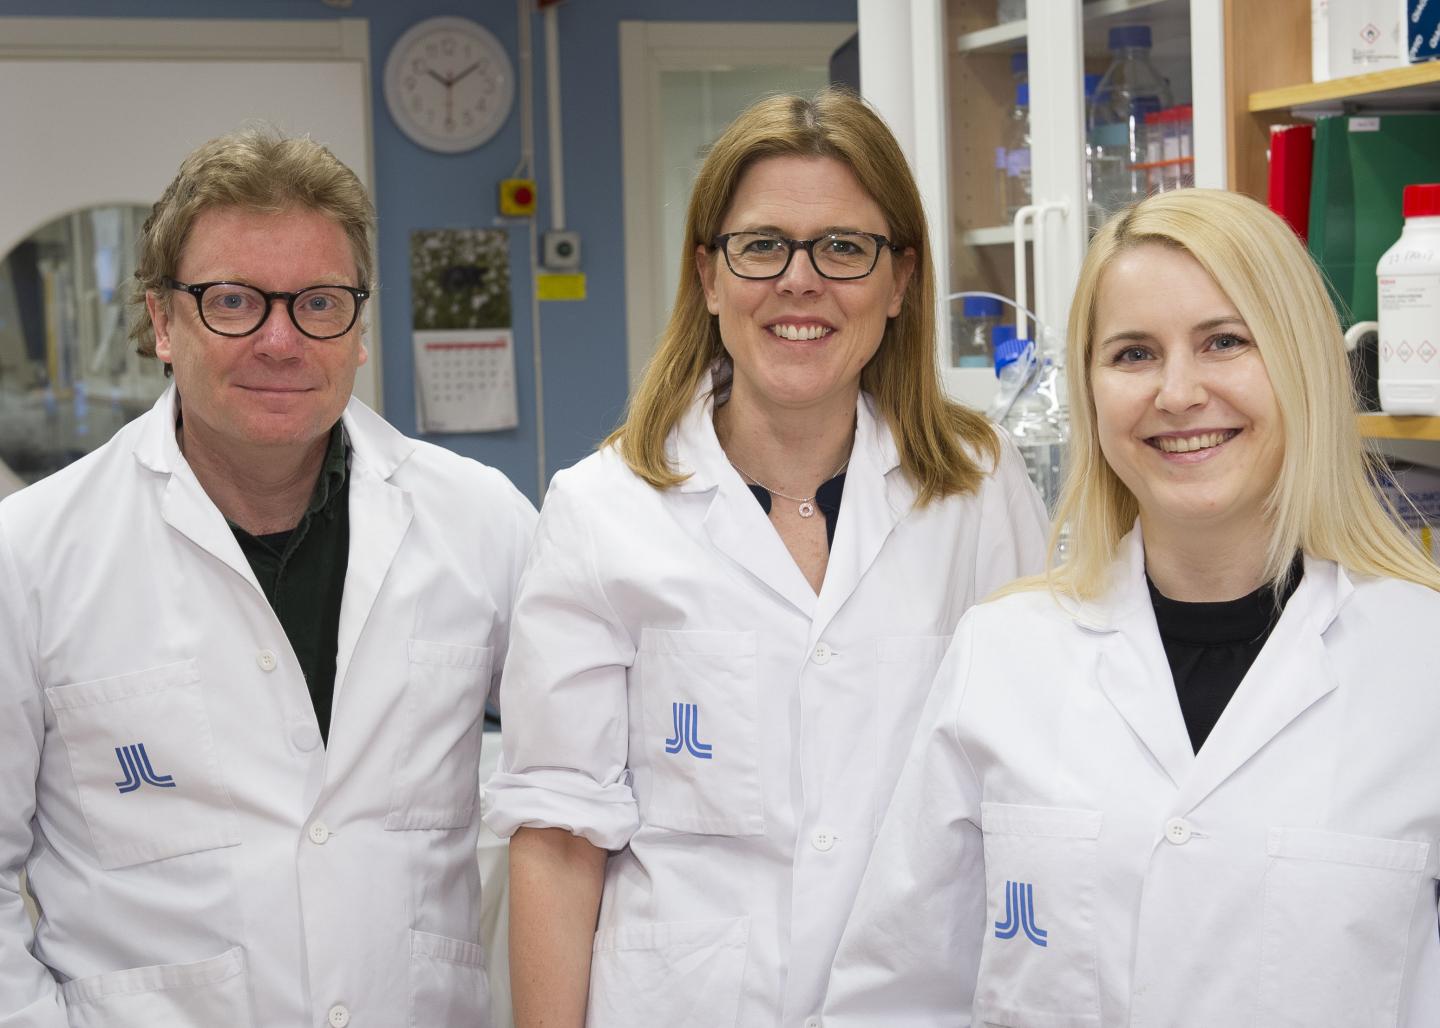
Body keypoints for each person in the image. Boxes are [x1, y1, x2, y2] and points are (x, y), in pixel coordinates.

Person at [481, 88, 1049, 1028]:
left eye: (844, 247)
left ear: (900, 281)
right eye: (762, 246)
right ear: (709, 275)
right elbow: (558, 832)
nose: (800, 281)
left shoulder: (978, 489)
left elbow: (1030, 785)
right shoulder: (601, 510)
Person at [823, 188, 1440, 1026]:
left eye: (1224, 341)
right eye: (1134, 353)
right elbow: (898, 997)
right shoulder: (1003, 655)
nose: (1177, 393)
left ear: (1302, 364)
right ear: (1090, 391)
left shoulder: (1420, 664)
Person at [0, 130, 537, 1027]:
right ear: (162, 321)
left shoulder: (481, 523)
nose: (280, 341)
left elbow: (586, 775)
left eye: (320, 303)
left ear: (357, 330)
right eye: (234, 301)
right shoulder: (31, 554)